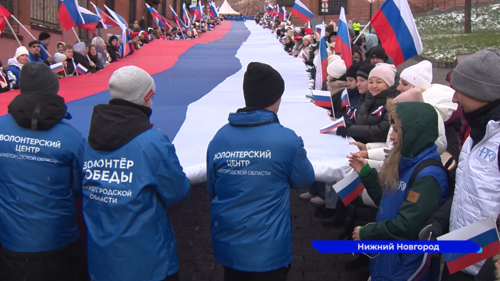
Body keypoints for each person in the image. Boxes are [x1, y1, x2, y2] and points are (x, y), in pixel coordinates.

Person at [207, 62, 315, 281]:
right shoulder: (287, 140)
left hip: (228, 243)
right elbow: (305, 179)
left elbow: (212, 188)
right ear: (276, 98)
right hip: (269, 249)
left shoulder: (219, 138)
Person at [83, 66, 190, 281]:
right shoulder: (152, 143)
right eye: (151, 97)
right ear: (145, 98)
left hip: (102, 259)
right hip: (149, 261)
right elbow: (178, 191)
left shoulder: (88, 141)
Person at [0, 62, 87, 281]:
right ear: (54, 88)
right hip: (59, 241)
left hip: (12, 242)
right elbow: (80, 188)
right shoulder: (71, 137)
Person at [419, 48, 500, 281]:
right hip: (462, 255)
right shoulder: (475, 135)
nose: (454, 99)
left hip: (487, 269)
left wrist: (490, 269)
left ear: (482, 92)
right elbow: (468, 192)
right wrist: (441, 219)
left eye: (459, 91)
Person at [349, 100, 449, 281]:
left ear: (414, 133)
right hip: (390, 259)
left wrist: (367, 233)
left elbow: (407, 225)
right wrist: (366, 174)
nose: (392, 137)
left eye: (396, 131)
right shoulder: (405, 162)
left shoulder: (427, 176)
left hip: (405, 264)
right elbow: (388, 204)